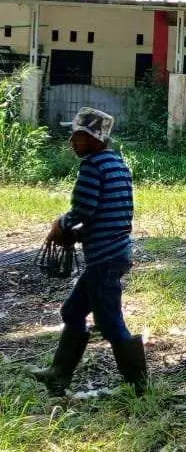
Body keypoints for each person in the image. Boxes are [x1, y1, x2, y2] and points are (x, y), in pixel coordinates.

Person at [28, 108, 146, 396]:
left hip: (104, 258)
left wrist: (62, 225)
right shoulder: (117, 162)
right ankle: (58, 374)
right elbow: (110, 212)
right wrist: (78, 234)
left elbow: (85, 209)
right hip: (115, 251)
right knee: (72, 311)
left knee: (109, 320)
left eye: (78, 136)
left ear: (94, 139)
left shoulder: (93, 166)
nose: (72, 142)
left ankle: (139, 385)